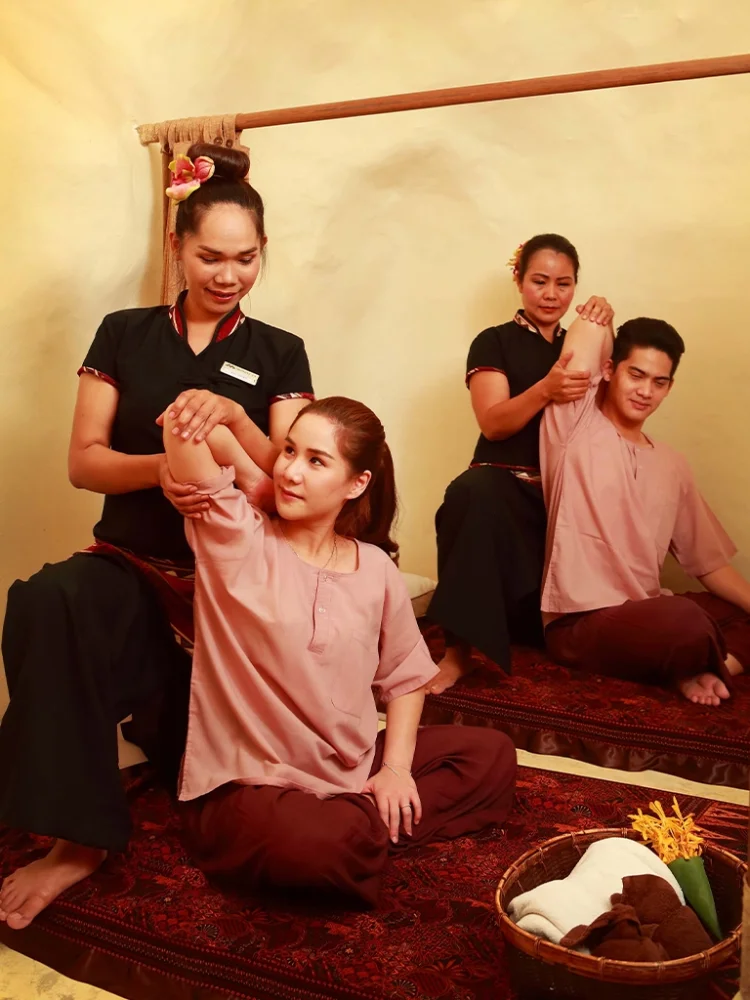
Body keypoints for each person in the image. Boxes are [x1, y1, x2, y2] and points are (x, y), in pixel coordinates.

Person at [0, 143, 315, 930]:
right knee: (49, 601)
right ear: (176, 247)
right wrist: (161, 474)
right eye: (210, 255)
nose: (227, 274)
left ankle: (171, 731)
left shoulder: (279, 352)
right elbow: (84, 462)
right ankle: (79, 840)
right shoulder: (124, 333)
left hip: (230, 589)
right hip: (134, 565)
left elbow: (289, 486)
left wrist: (237, 421)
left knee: (213, 785)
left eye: (246, 259)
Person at [162, 395, 517, 907]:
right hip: (250, 784)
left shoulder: (374, 568)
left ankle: (358, 826)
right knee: (313, 844)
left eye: (315, 460)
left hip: (351, 768)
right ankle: (358, 833)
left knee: (491, 756)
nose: (291, 472)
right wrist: (239, 426)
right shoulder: (236, 537)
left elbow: (405, 677)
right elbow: (184, 428)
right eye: (288, 452)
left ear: (357, 484)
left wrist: (394, 769)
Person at [425, 234, 614, 693]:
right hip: (503, 486)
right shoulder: (494, 342)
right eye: (540, 281)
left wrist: (608, 326)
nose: (551, 295)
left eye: (564, 284)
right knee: (471, 496)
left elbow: (607, 406)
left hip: (561, 490)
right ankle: (457, 654)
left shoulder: (581, 345)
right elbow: (493, 423)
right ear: (519, 280)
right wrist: (545, 390)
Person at [540, 314, 750, 705]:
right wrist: (603, 315)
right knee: (686, 622)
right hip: (581, 622)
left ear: (669, 388)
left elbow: (708, 562)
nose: (645, 391)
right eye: (635, 375)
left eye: (659, 382)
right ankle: (700, 664)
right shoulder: (575, 428)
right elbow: (585, 334)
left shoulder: (673, 464)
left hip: (647, 613)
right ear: (609, 370)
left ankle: (701, 670)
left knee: (732, 608)